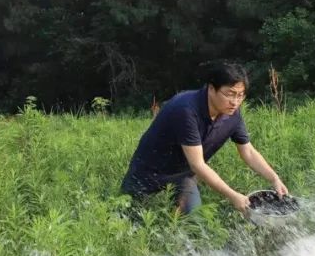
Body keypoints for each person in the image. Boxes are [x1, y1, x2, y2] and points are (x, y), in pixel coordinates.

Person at [120, 61, 288, 215]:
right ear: (211, 88)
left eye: (240, 95)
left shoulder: (232, 114)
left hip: (183, 176)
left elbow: (248, 152)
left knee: (195, 224)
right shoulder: (186, 110)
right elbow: (198, 164)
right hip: (147, 173)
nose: (235, 102)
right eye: (229, 94)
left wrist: (274, 178)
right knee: (125, 218)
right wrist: (233, 195)